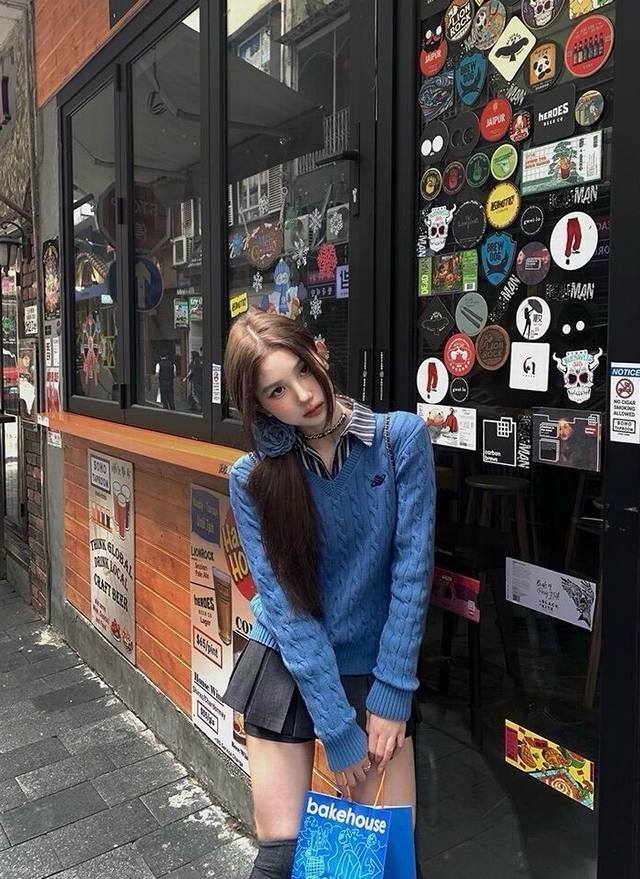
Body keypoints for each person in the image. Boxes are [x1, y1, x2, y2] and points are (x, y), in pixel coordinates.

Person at [222, 308, 435, 879]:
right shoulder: (253, 477)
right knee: (282, 857)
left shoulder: (398, 440)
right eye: (276, 391)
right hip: (289, 666)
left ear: (319, 351)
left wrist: (391, 692)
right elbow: (286, 608)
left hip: (374, 666)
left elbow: (412, 572)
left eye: (302, 370)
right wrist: (336, 728)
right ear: (259, 406)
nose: (303, 395)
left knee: (386, 860)